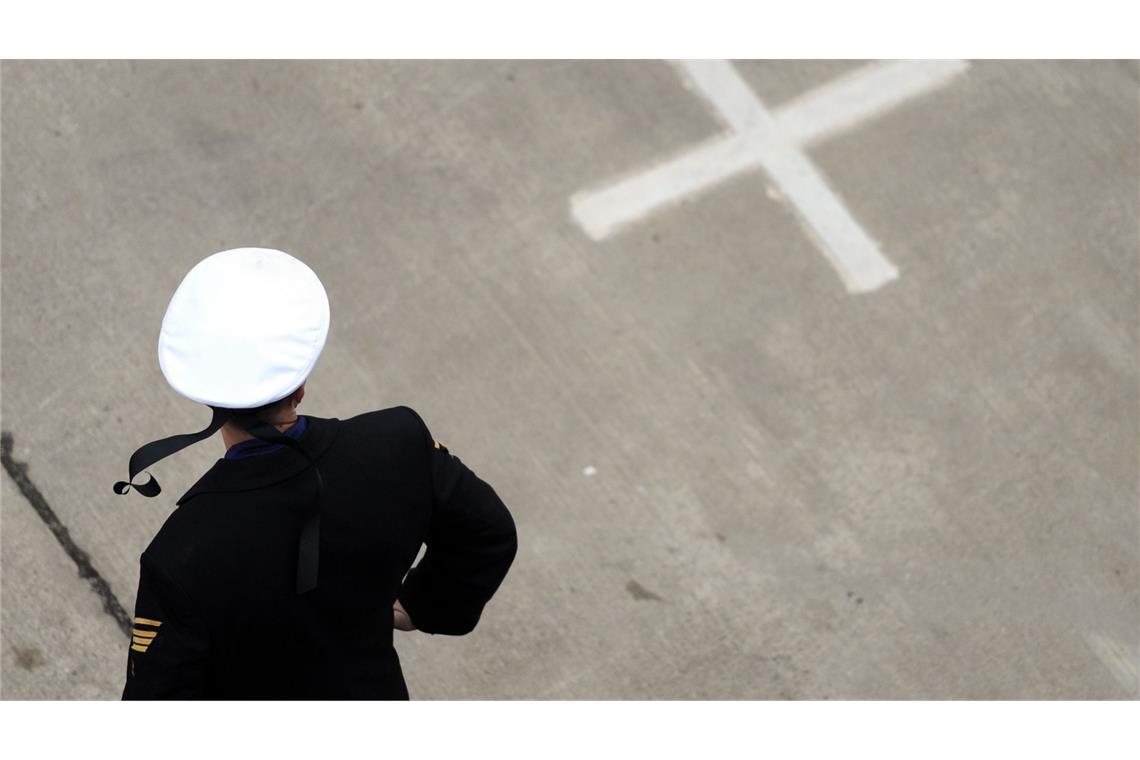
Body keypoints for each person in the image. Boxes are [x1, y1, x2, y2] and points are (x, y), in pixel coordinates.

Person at [114, 247, 518, 699]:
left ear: (207, 392)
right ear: (300, 385)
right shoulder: (398, 443)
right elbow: (489, 532)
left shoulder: (180, 556)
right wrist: (421, 605)